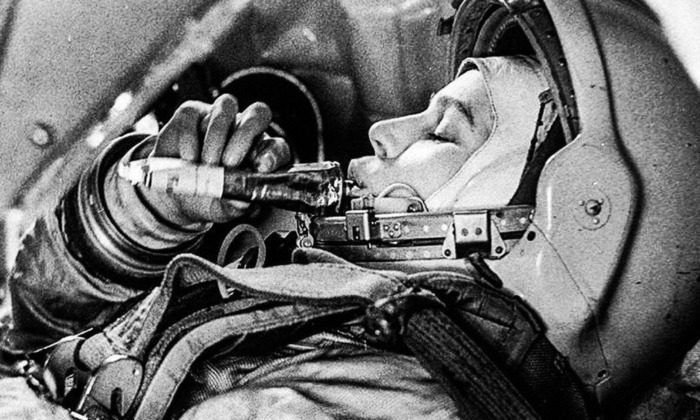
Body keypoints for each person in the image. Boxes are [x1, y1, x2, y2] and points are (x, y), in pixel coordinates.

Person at [0, 55, 554, 419]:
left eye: (443, 133)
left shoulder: (395, 396)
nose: (382, 132)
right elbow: (30, 327)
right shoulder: (300, 274)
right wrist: (144, 216)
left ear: (513, 221)